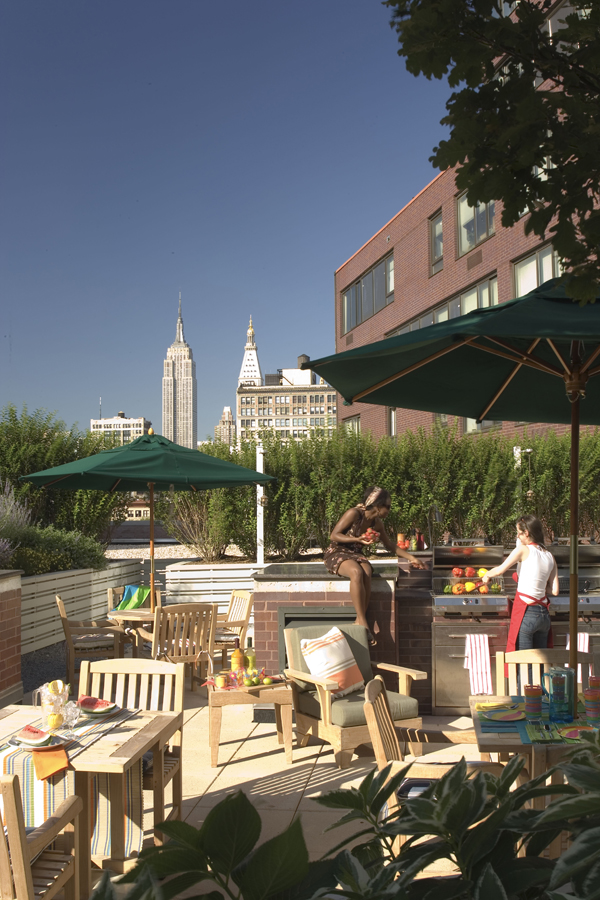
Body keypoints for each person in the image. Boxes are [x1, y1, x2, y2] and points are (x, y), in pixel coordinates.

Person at [323, 485, 424, 645]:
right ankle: (363, 622)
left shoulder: (377, 524)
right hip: (336, 551)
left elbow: (390, 545)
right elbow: (334, 535)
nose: (389, 510)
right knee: (356, 572)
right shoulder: (354, 513)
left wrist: (412, 558)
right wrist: (357, 539)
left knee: (367, 571)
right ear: (377, 505)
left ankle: (359, 620)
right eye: (387, 506)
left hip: (355, 554)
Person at [482, 514, 559, 654]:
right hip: (544, 616)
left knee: (523, 661)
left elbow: (500, 570)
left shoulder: (523, 550)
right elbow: (554, 590)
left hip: (527, 613)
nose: (517, 536)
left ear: (526, 533)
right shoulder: (549, 556)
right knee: (541, 660)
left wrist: (487, 575)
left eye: (519, 533)